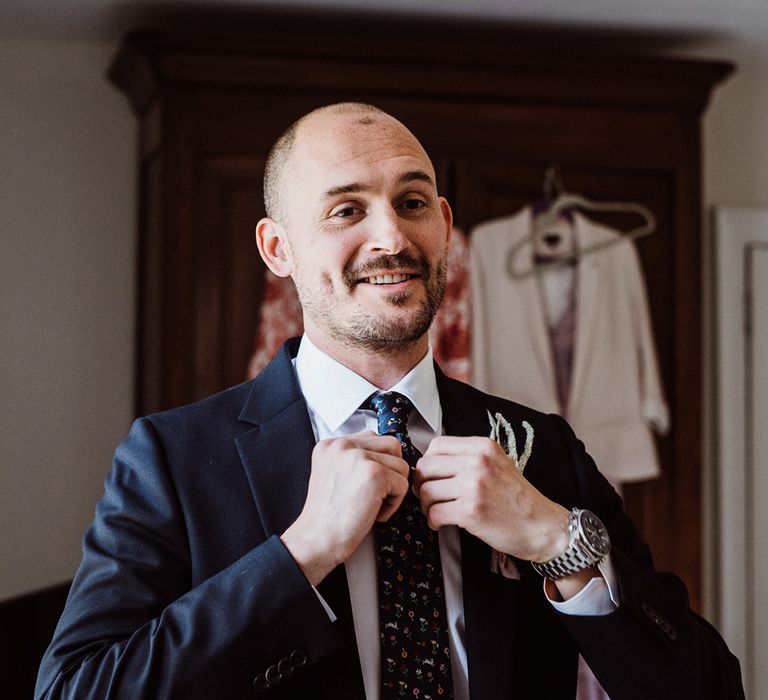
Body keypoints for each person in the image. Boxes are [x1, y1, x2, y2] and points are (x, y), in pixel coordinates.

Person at [36, 103, 744, 700]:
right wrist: (302, 553)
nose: (391, 237)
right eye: (347, 208)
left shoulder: (540, 448)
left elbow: (710, 687)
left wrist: (556, 543)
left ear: (442, 223)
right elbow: (77, 687)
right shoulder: (175, 456)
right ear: (278, 247)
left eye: (411, 204)